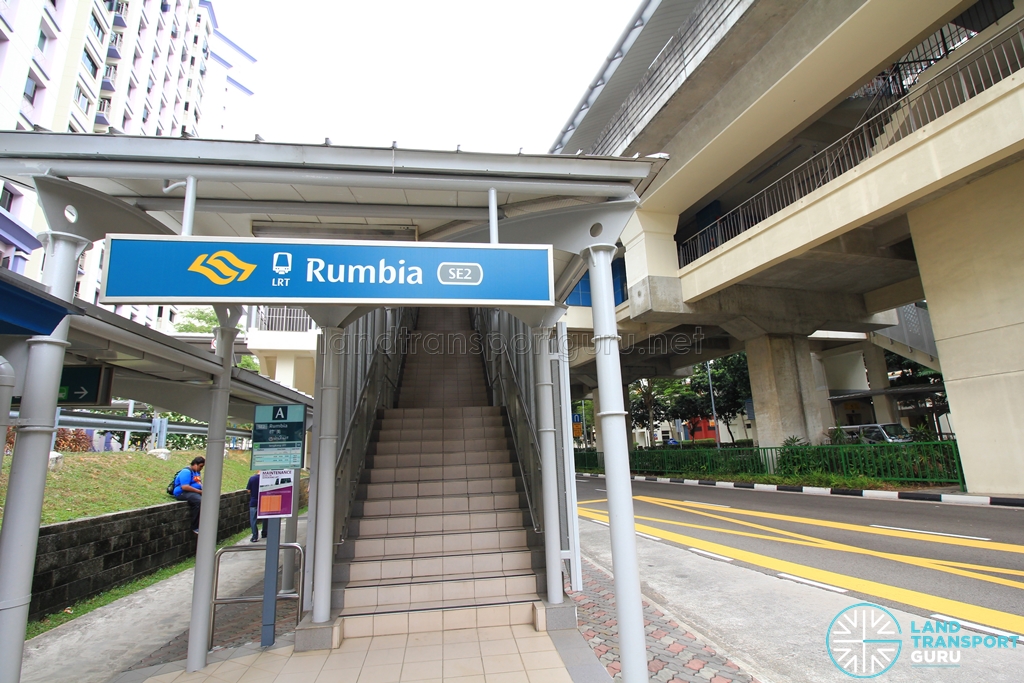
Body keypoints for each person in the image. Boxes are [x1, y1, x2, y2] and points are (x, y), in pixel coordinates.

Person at [173, 456, 205, 534]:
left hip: (194, 492)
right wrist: (199, 492)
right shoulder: (186, 472)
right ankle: (195, 527)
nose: (201, 468)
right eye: (200, 466)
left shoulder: (197, 472)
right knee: (199, 501)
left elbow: (199, 483)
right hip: (182, 492)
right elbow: (185, 486)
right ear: (195, 464)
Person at [246, 471, 268, 543]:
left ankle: (254, 536)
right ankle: (264, 533)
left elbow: (248, 490)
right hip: (263, 501)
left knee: (253, 519)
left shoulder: (252, 479)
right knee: (265, 518)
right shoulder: (265, 479)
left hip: (254, 501)